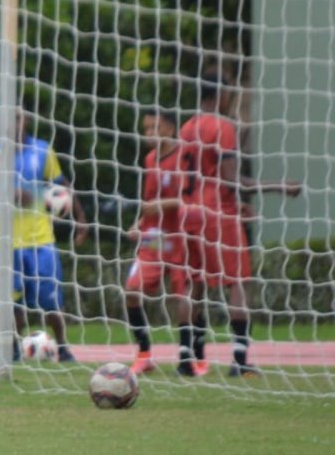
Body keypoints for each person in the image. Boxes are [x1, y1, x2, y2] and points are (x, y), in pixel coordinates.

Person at [177, 72, 302, 378]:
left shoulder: (186, 127)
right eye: (229, 92)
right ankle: (240, 359)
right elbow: (232, 179)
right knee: (238, 285)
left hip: (188, 213)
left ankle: (187, 358)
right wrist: (279, 186)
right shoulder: (222, 127)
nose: (232, 97)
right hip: (217, 213)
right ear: (219, 94)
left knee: (194, 286)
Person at [0, 111, 87, 363]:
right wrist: (8, 193)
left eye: (19, 118)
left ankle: (63, 347)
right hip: (5, 241)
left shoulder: (43, 150)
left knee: (52, 302)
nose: (14, 123)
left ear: (27, 121)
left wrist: (81, 218)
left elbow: (61, 184)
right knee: (10, 303)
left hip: (41, 238)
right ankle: (12, 349)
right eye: (10, 118)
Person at [124, 108, 195, 375]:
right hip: (155, 239)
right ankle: (144, 354)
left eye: (154, 128)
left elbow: (194, 198)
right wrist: (139, 224)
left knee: (183, 298)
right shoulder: (151, 159)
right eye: (146, 129)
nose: (149, 134)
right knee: (132, 291)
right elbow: (149, 201)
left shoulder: (186, 156)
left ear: (170, 128)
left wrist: (164, 205)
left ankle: (187, 357)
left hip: (181, 237)